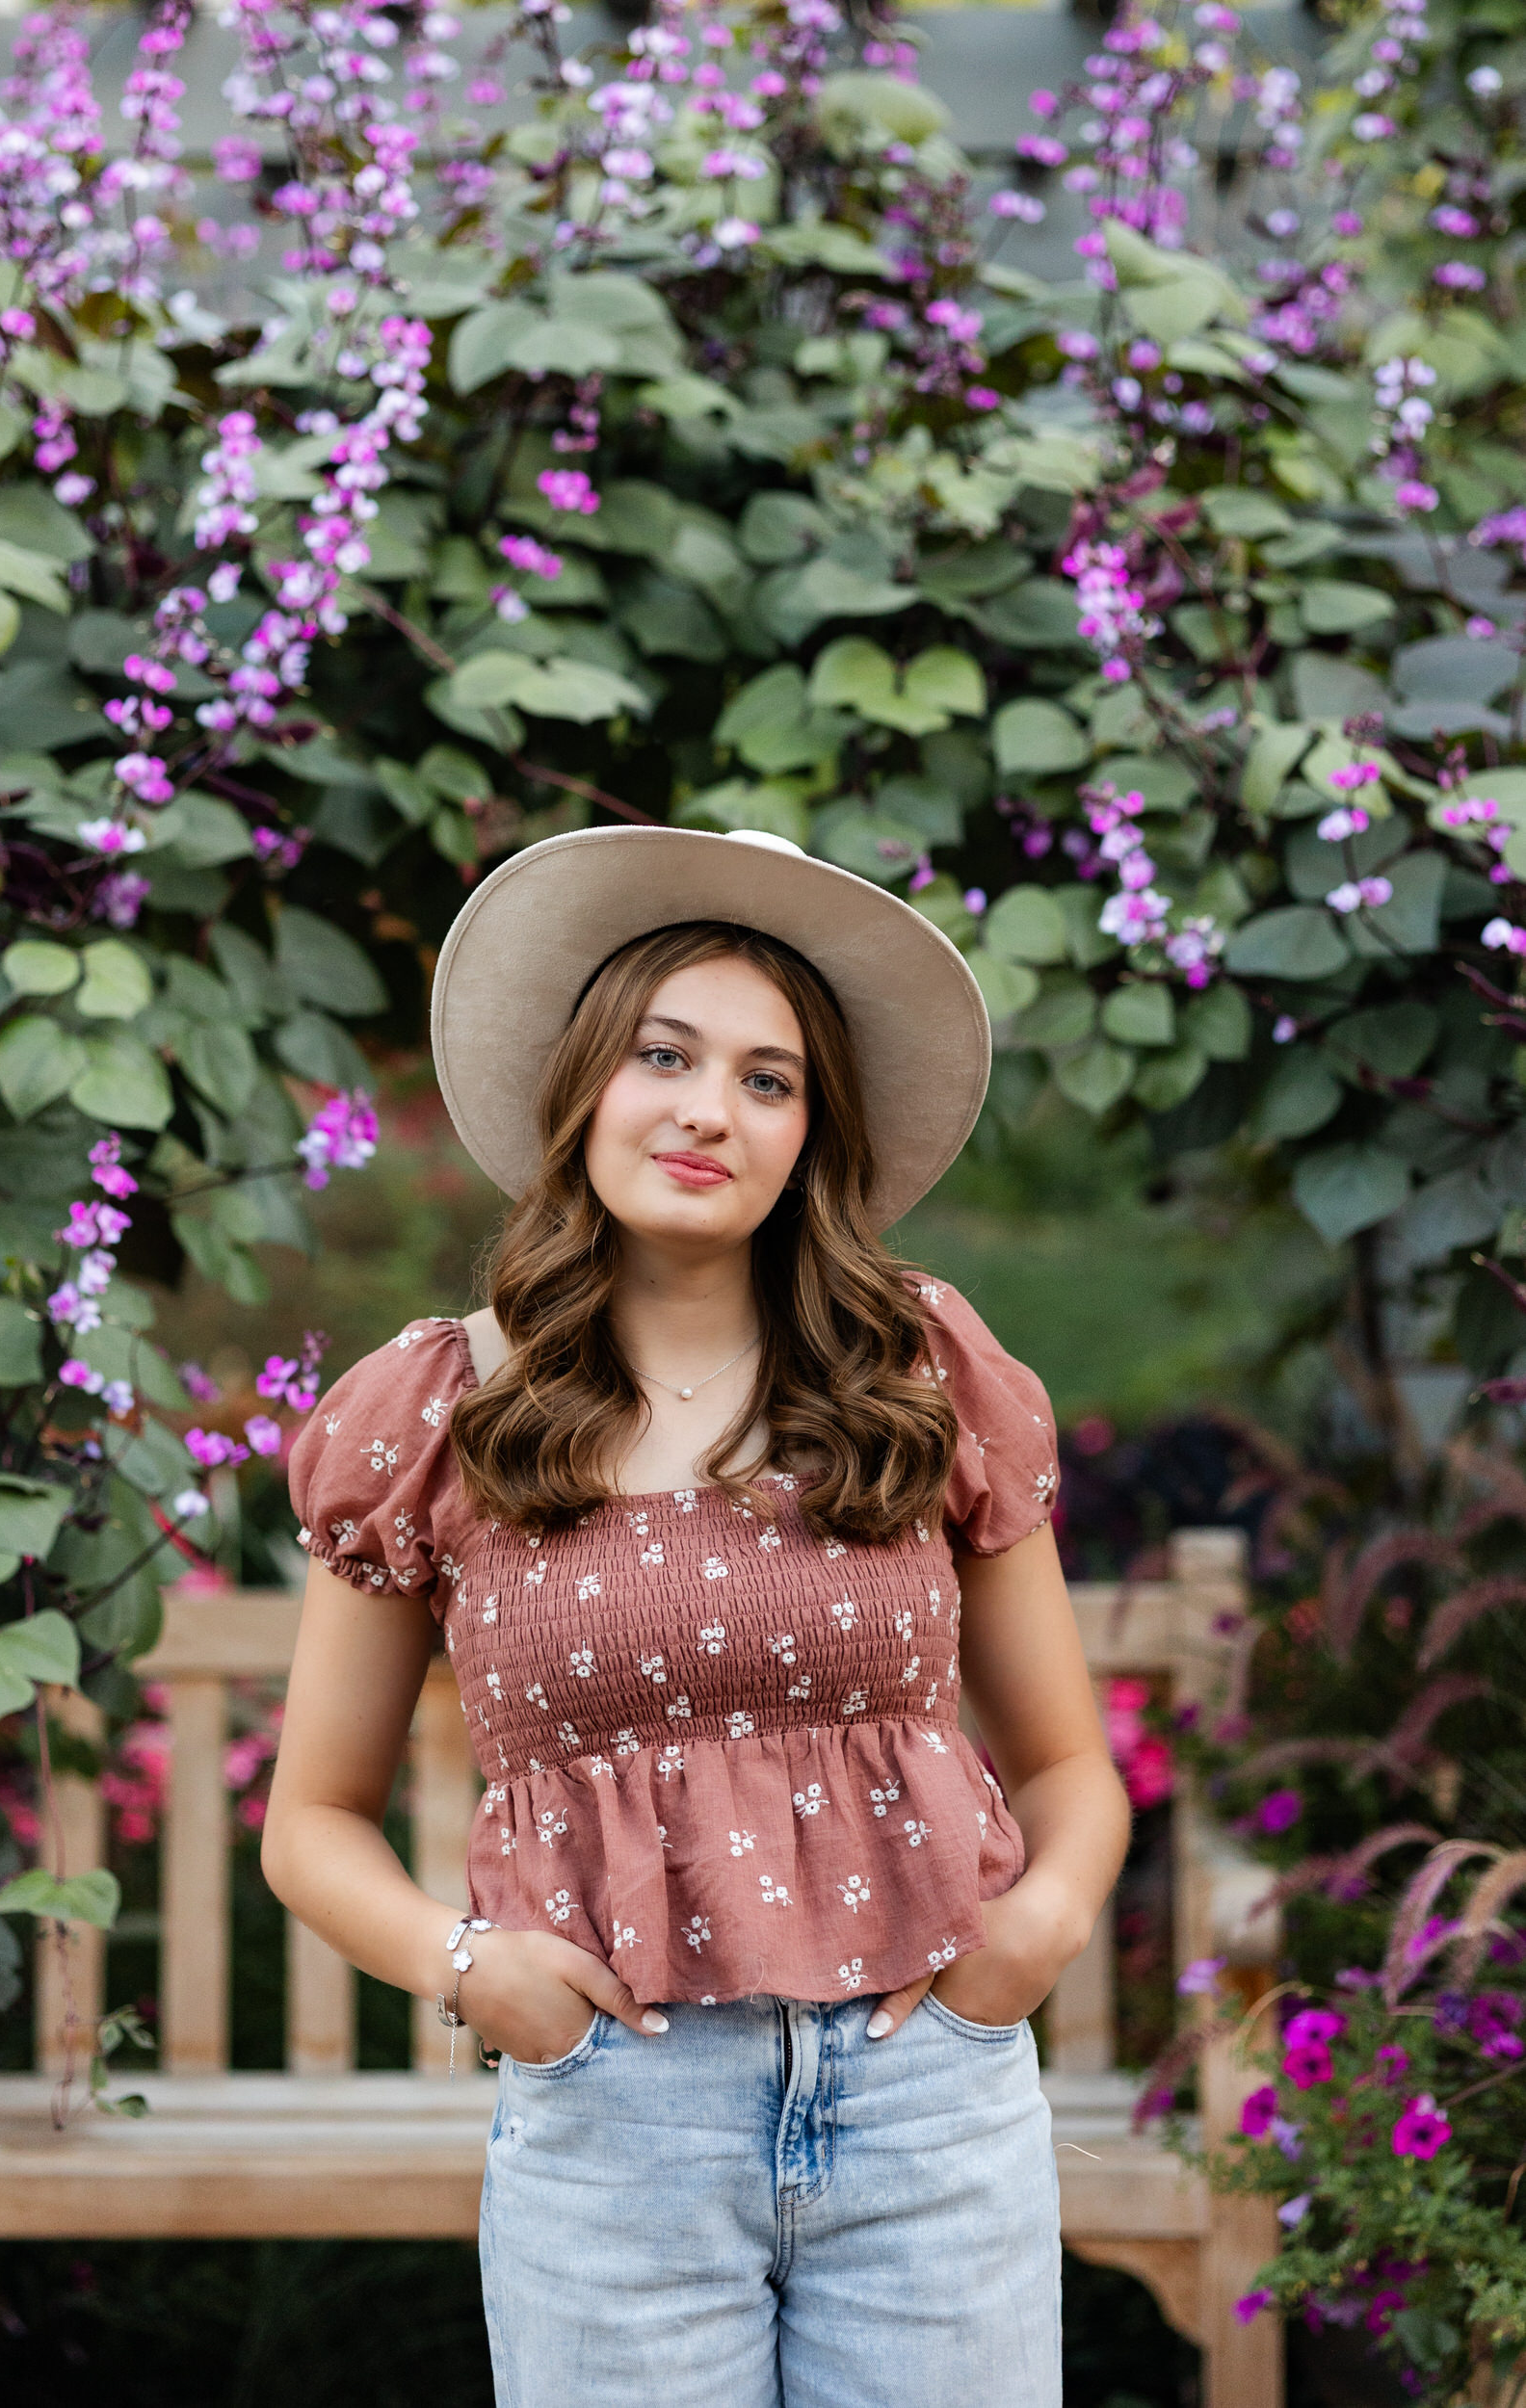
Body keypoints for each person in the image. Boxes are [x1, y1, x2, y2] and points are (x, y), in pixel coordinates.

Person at [262, 824, 1130, 2408]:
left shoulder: (922, 1375)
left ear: (811, 1132)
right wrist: (472, 1970)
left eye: (769, 1077)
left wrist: (1038, 1931)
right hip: (618, 2128)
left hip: (927, 2104)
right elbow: (309, 1821)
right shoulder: (438, 1412)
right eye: (665, 1054)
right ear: (588, 1082)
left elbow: (1072, 1768)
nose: (708, 1110)